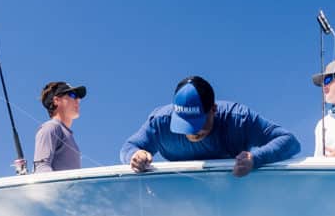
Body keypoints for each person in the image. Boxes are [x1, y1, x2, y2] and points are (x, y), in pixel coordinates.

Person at [120, 76, 300, 177]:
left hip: (233, 197)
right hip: (185, 201)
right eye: (184, 124)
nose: (192, 132)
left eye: (197, 123)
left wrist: (255, 158)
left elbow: (290, 142)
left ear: (213, 109)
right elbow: (128, 148)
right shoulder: (160, 122)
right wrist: (134, 156)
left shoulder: (238, 119)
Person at [34, 81, 86, 172]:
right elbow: (41, 168)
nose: (78, 100)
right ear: (56, 100)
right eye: (73, 95)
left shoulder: (67, 134)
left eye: (78, 97)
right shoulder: (51, 127)